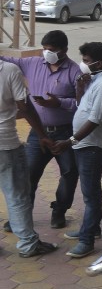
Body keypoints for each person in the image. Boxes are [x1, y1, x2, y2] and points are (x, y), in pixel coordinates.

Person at [0, 30, 81, 232]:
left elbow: (83, 103)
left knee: (69, 174)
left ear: (64, 50)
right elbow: (5, 60)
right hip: (38, 133)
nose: (46, 53)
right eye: (44, 49)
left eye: (51, 50)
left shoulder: (75, 72)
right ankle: (21, 217)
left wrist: (59, 103)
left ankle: (59, 211)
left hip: (65, 132)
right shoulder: (32, 63)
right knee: (28, 176)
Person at [53, 42, 102, 259]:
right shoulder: (94, 81)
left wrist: (70, 141)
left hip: (92, 146)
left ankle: (87, 240)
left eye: (87, 61)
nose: (83, 64)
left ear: (99, 62)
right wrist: (81, 89)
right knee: (89, 192)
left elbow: (96, 118)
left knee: (91, 195)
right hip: (83, 145)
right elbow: (83, 106)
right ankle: (92, 229)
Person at [0, 59, 59, 258]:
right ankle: (28, 244)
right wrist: (42, 134)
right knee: (17, 195)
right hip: (5, 146)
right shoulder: (9, 70)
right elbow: (25, 108)